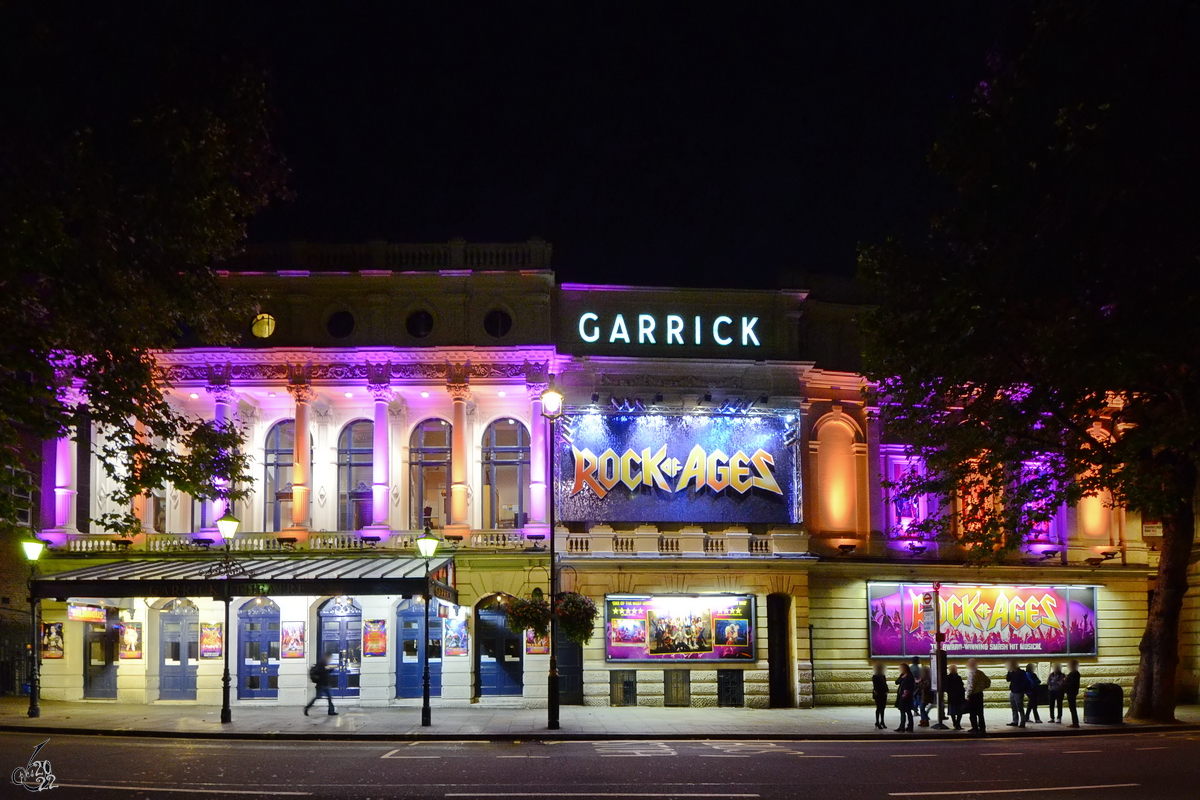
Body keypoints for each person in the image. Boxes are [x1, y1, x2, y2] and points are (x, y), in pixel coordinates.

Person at [304, 651, 338, 717]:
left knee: (328, 697)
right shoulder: (321, 663)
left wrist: (330, 669)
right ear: (327, 656)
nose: (330, 658)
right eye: (330, 657)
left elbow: (324, 671)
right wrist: (329, 669)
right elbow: (321, 672)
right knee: (321, 697)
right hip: (322, 684)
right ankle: (307, 707)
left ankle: (331, 711)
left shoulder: (323, 662)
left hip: (323, 683)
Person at [965, 658, 991, 735]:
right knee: (980, 713)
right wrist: (982, 687)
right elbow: (988, 682)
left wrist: (968, 695)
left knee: (972, 713)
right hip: (979, 694)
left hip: (973, 695)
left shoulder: (972, 673)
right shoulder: (980, 673)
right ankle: (982, 729)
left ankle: (975, 728)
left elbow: (971, 686)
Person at [1005, 659, 1029, 728]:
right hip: (1012, 692)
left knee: (1020, 708)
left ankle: (1022, 722)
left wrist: (1020, 689)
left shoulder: (1021, 672)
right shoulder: (1012, 672)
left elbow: (1024, 682)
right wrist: (1009, 671)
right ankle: (1015, 721)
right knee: (1013, 707)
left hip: (1018, 692)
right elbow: (1008, 679)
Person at [895, 662, 916, 733]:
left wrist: (908, 693)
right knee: (902, 711)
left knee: (908, 712)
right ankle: (902, 726)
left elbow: (911, 686)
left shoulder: (910, 676)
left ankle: (910, 726)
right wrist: (901, 678)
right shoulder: (902, 675)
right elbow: (897, 682)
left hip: (907, 697)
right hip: (901, 696)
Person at [945, 663, 966, 730]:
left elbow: (947, 687)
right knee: (959, 711)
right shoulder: (958, 677)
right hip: (959, 696)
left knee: (952, 710)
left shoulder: (948, 677)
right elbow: (961, 687)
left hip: (951, 696)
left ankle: (955, 723)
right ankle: (958, 723)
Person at [1065, 659, 1082, 728]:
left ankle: (1075, 723)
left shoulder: (1074, 673)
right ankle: (1075, 722)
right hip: (1072, 692)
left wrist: (1065, 681)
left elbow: (1071, 684)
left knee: (1072, 708)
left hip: (1071, 692)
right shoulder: (1075, 673)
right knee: (1072, 708)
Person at [872, 663, 889, 729]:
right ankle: (877, 721)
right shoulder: (875, 677)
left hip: (883, 694)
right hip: (878, 694)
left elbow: (885, 684)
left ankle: (882, 721)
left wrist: (887, 690)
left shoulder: (883, 676)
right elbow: (876, 686)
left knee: (883, 708)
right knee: (879, 708)